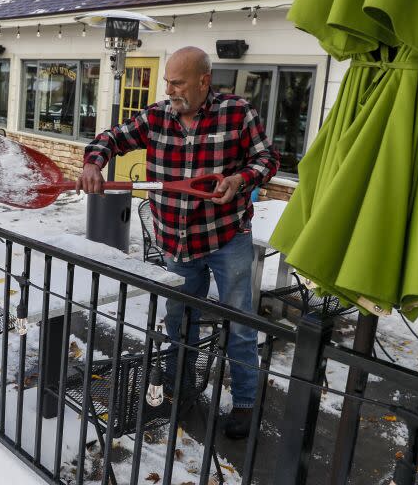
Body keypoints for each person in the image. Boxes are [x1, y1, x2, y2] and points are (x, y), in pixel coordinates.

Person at [76, 46, 280, 439]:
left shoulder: (237, 112)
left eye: (178, 82)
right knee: (177, 320)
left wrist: (240, 180)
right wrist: (93, 162)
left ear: (204, 81)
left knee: (239, 323)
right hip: (177, 244)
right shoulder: (156, 116)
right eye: (167, 81)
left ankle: (244, 403)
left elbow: (267, 159)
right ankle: (176, 390)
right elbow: (112, 137)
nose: (169, 89)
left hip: (226, 238)